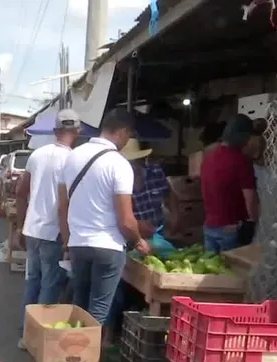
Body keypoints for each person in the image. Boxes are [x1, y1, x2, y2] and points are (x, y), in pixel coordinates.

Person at [58, 108, 150, 327]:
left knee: (80, 305)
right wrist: (138, 241)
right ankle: (88, 359)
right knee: (98, 309)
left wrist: (67, 241)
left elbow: (62, 206)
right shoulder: (119, 164)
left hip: (79, 243)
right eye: (129, 136)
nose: (127, 141)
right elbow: (126, 220)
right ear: (124, 132)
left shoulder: (72, 157)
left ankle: (72, 354)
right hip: (107, 246)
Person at [15, 109, 81, 349]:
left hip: (32, 228)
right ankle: (35, 336)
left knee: (33, 280)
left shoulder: (37, 155)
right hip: (55, 231)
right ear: (77, 131)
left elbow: (20, 192)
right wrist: (68, 239)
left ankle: (25, 330)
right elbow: (68, 204)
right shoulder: (74, 160)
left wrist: (21, 226)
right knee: (50, 284)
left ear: (55, 131)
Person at [105, 139, 167, 342]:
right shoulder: (117, 178)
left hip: (156, 235)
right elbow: (117, 216)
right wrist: (139, 229)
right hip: (127, 237)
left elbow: (170, 196)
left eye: (136, 161)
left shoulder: (155, 173)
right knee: (119, 289)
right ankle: (112, 334)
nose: (133, 166)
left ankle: (142, 329)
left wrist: (174, 218)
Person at [200, 114, 260, 253]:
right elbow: (250, 199)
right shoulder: (241, 161)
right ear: (243, 136)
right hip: (231, 229)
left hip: (209, 226)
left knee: (212, 271)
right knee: (233, 272)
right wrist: (253, 223)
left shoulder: (208, 158)